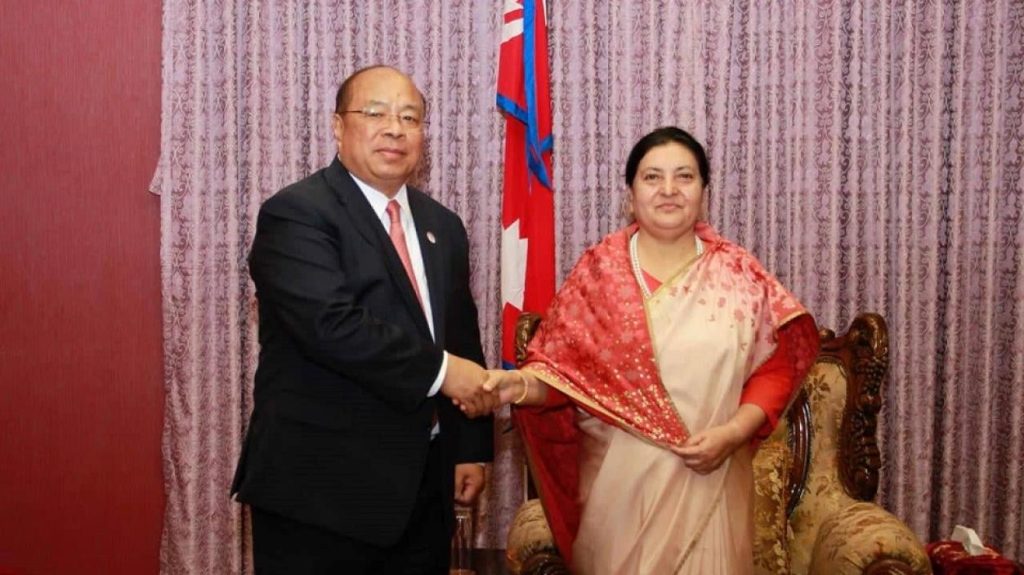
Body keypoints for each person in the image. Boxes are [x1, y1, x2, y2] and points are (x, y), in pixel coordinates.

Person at [481, 127, 820, 574]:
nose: (669, 190)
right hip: (618, 494)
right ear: (631, 195)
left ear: (704, 193)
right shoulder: (599, 273)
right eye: (652, 177)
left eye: (684, 176)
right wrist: (519, 386)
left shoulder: (738, 274)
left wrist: (734, 432)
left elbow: (775, 368)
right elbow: (564, 378)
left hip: (711, 483)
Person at [231, 65, 497, 575]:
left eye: (410, 117)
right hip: (320, 494)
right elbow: (332, 325)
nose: (395, 129)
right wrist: (444, 373)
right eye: (375, 113)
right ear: (338, 126)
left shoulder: (443, 225)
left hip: (424, 489)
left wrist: (470, 445)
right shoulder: (296, 214)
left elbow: (460, 334)